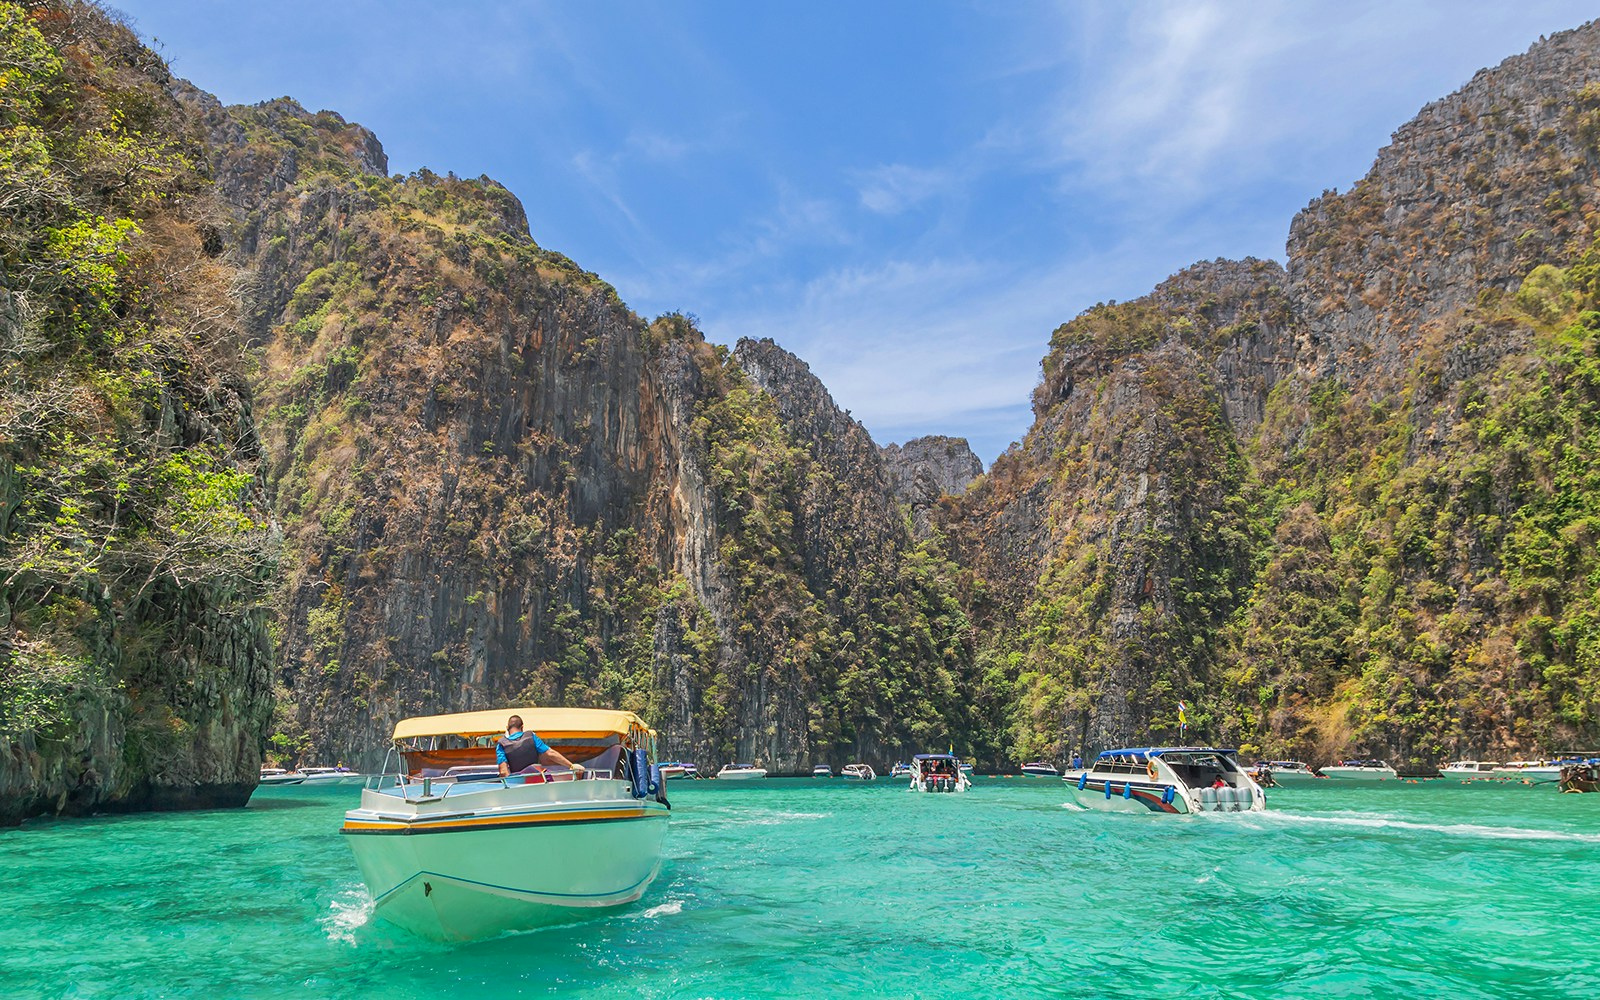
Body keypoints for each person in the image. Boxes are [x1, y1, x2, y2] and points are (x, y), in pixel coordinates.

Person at [497, 715, 585, 777]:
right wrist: (571, 766)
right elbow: (550, 753)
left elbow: (503, 771)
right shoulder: (531, 736)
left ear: (507, 728)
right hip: (537, 778)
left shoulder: (501, 744)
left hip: (518, 783)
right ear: (522, 727)